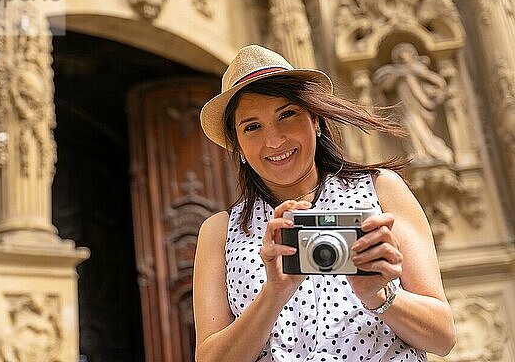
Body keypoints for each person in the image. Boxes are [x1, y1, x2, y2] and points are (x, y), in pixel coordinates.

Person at [193, 44, 456, 362]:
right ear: (237, 145)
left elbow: (442, 337)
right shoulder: (221, 230)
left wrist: (379, 295)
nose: (274, 140)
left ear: (314, 119)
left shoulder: (381, 190)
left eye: (287, 115)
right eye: (252, 127)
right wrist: (275, 292)